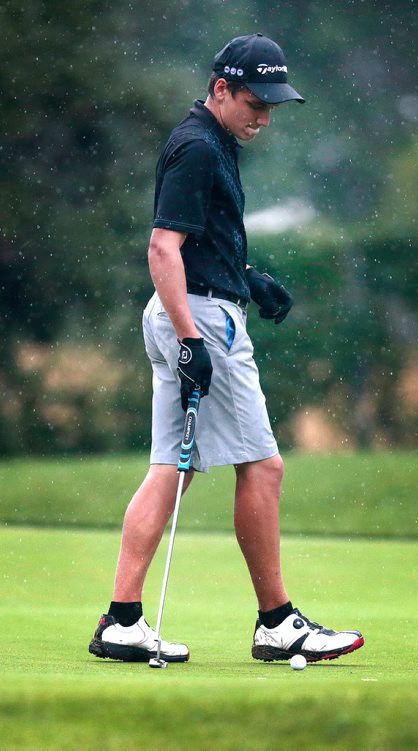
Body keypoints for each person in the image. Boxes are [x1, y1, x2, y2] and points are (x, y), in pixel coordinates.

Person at [89, 33, 364, 664]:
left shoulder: (212, 142)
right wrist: (192, 338)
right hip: (201, 318)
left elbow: (201, 241)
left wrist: (248, 279)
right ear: (221, 89)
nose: (264, 118)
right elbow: (163, 248)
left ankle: (122, 620)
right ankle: (277, 623)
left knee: (173, 467)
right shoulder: (197, 149)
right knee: (263, 466)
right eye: (254, 103)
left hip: (195, 305)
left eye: (272, 106)